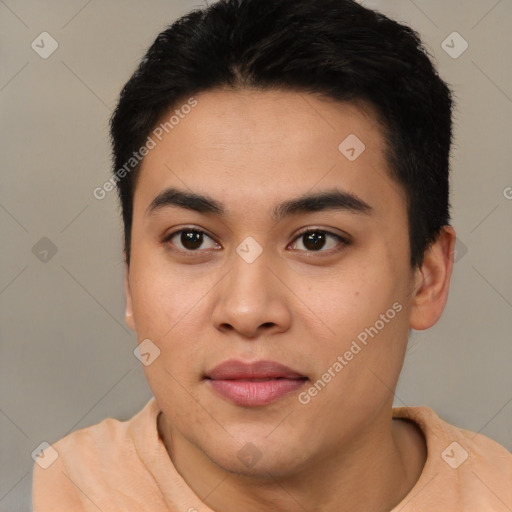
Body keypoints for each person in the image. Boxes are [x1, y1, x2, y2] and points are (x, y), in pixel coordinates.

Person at [32, 0, 512, 510]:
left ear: (427, 278)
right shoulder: (60, 492)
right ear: (130, 277)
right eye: (192, 239)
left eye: (316, 240)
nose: (247, 310)